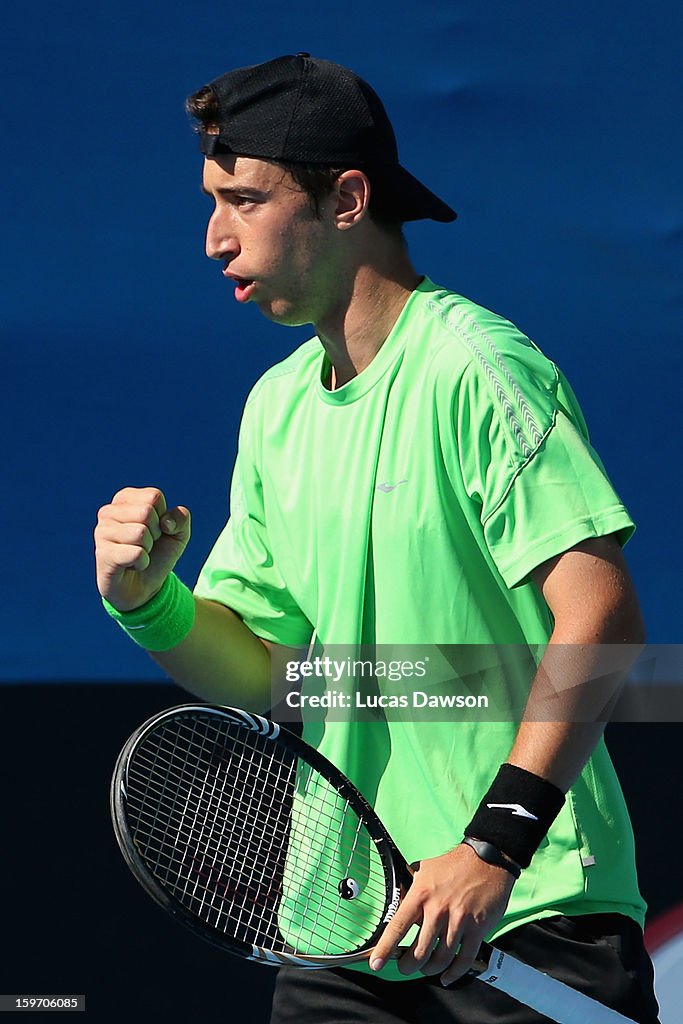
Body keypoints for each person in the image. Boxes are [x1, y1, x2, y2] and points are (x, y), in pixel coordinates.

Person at [94, 54, 660, 1023]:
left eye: (243, 200)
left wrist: (491, 846)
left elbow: (600, 615)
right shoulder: (274, 409)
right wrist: (152, 604)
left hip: (527, 913)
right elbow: (270, 676)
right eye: (210, 201)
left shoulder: (476, 369)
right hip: (348, 932)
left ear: (346, 199)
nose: (211, 238)